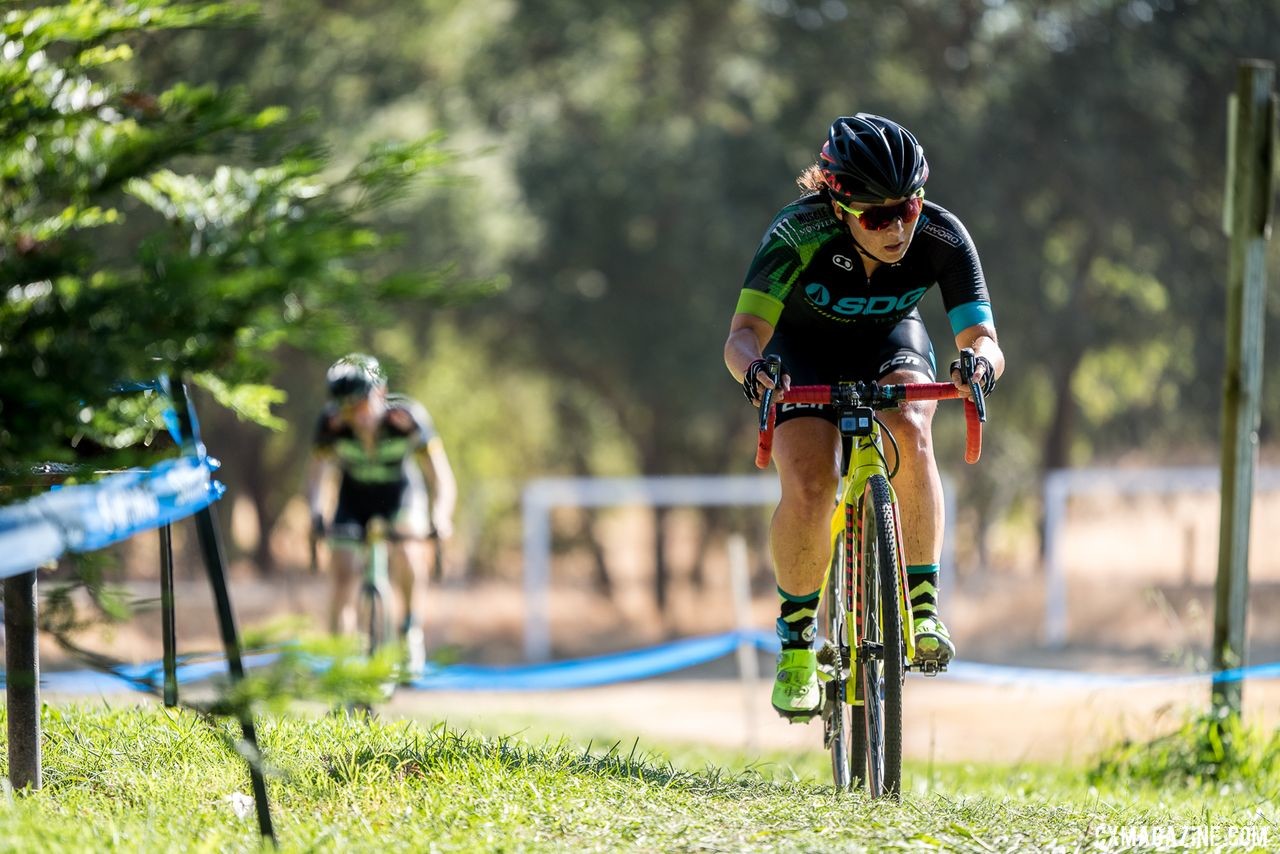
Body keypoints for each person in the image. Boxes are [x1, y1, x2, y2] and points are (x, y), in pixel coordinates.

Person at [723, 114, 1004, 719]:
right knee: (810, 483)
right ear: (839, 204)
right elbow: (742, 335)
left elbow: (984, 339)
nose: (898, 226)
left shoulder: (942, 235)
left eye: (907, 207)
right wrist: (756, 373)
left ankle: (922, 604)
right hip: (801, 352)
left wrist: (977, 364)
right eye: (878, 216)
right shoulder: (798, 232)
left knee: (912, 430)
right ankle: (797, 646)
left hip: (890, 343)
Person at [306, 353, 457, 676]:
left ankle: (409, 632)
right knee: (343, 570)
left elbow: (440, 477)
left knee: (408, 550)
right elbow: (318, 478)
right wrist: (316, 514)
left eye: (359, 404)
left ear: (381, 393)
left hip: (400, 492)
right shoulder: (330, 425)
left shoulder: (408, 418)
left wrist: (441, 516)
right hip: (354, 495)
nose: (354, 415)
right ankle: (340, 658)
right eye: (345, 407)